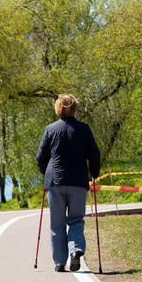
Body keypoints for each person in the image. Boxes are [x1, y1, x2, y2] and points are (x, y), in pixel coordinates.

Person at [36, 94, 101, 272]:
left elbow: (40, 157)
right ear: (75, 109)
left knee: (57, 224)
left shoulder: (50, 129)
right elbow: (94, 154)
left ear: (58, 108)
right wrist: (94, 172)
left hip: (55, 182)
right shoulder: (84, 129)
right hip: (78, 182)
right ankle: (76, 250)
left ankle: (59, 262)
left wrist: (45, 172)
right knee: (76, 220)